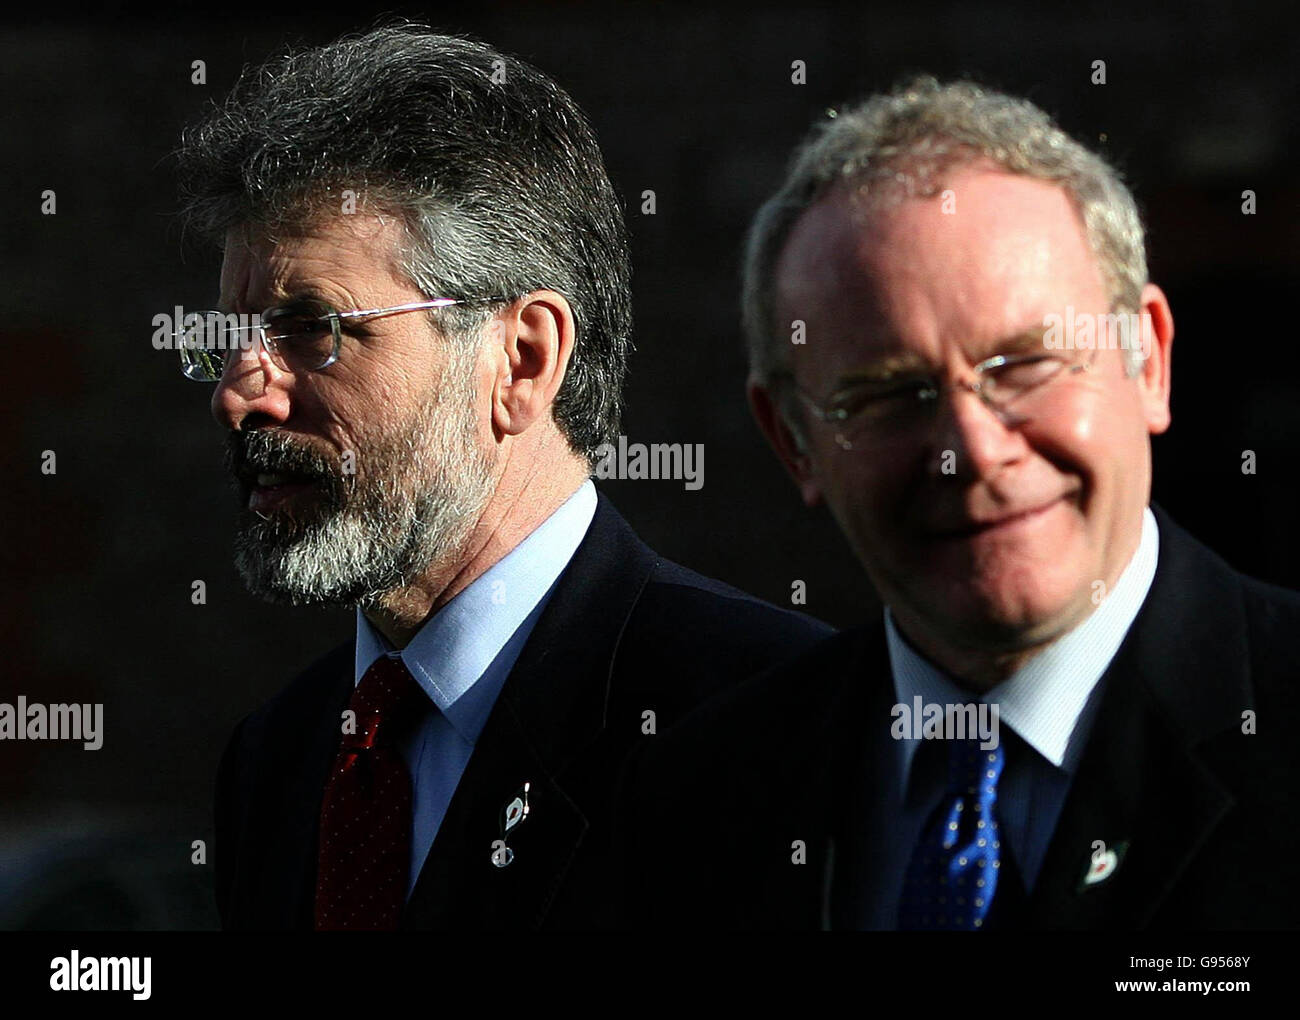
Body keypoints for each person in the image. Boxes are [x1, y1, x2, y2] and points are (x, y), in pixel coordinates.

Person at [175, 24, 831, 930]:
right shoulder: (277, 758)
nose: (238, 397)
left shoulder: (773, 726)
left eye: (310, 329)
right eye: (231, 339)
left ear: (522, 359)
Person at [621, 77, 1300, 930]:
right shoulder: (693, 807)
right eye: (889, 394)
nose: (973, 449)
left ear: (1148, 361)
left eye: (1025, 364)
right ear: (793, 440)